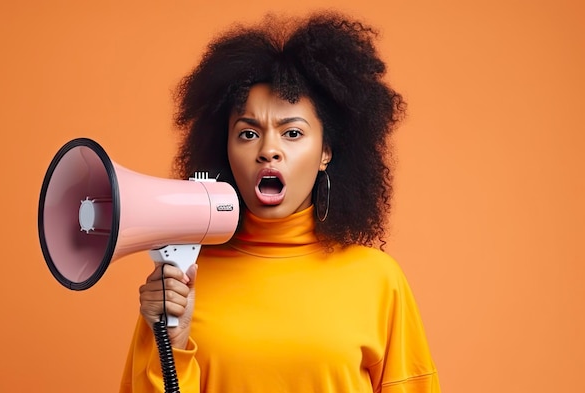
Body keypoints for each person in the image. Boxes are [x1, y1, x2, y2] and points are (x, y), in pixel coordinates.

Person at [120, 10, 441, 393]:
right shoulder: (181, 280)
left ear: (326, 152)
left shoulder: (379, 281)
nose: (268, 150)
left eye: (291, 133)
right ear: (224, 150)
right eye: (247, 134)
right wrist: (172, 340)